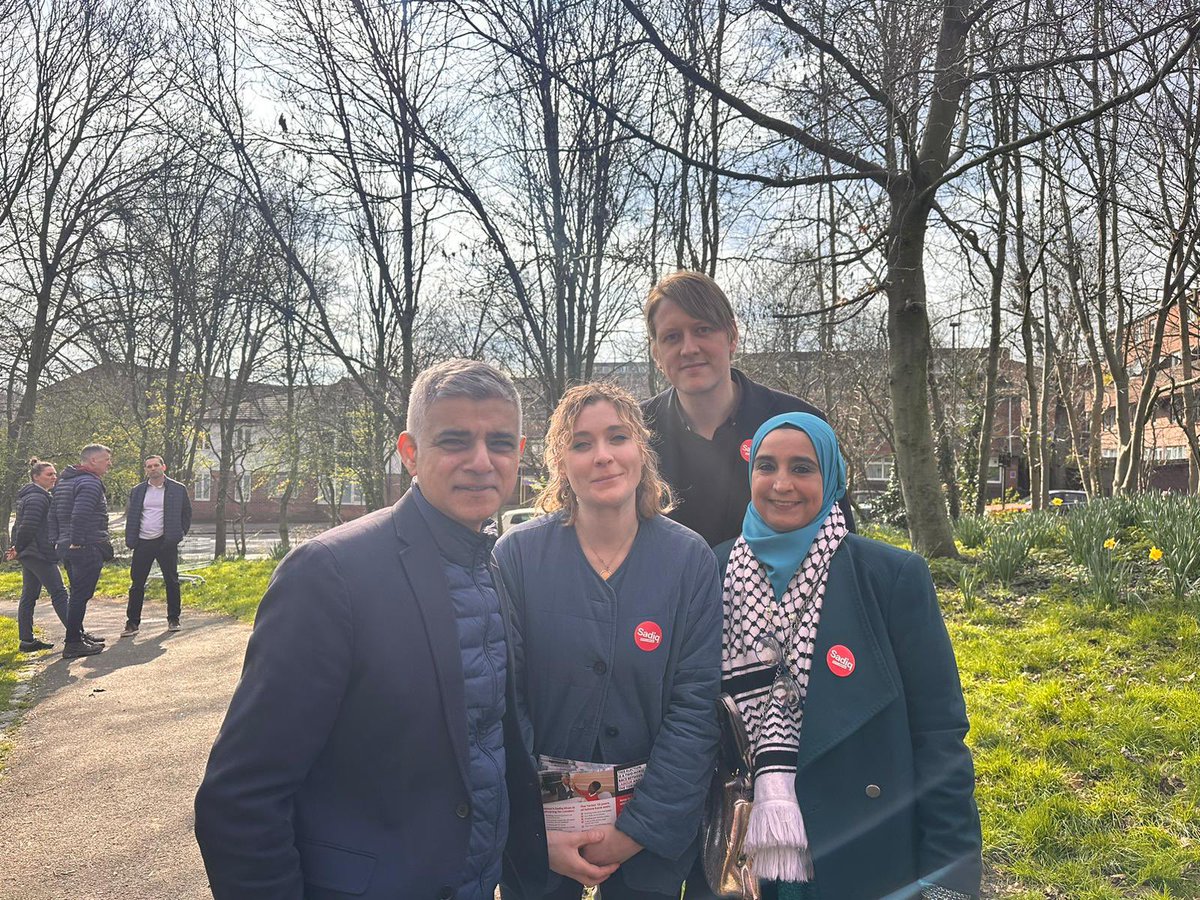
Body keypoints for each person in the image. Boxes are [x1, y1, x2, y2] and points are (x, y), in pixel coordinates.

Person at [194, 359, 547, 900]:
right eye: (455, 441)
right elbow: (241, 798)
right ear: (409, 452)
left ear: (519, 455)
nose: (481, 462)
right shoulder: (331, 573)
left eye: (499, 442)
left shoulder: (490, 564)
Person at [698, 413, 980, 899]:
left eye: (802, 468)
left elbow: (938, 735)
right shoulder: (711, 568)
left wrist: (947, 878)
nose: (781, 484)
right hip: (739, 853)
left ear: (831, 478)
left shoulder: (890, 577)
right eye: (766, 466)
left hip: (858, 851)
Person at [495, 382, 722, 899]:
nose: (602, 456)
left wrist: (637, 830)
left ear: (641, 450)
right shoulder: (517, 559)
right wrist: (538, 827)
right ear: (561, 464)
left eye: (617, 437)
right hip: (544, 836)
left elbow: (696, 707)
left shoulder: (689, 561)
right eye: (581, 443)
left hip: (649, 839)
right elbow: (506, 703)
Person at [640, 270, 853, 548]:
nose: (689, 348)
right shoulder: (634, 434)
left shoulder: (798, 423)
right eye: (671, 337)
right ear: (656, 353)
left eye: (702, 329)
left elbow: (839, 539)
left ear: (732, 336)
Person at [50, 443, 114, 658]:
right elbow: (80, 514)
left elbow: (54, 515)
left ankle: (77, 634)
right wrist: (76, 542)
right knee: (80, 595)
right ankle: (74, 642)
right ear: (93, 460)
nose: (109, 464)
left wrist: (57, 541)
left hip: (66, 545)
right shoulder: (89, 482)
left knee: (77, 593)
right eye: (106, 460)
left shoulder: (64, 481)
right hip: (84, 545)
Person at [122, 454, 193, 635]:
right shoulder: (137, 491)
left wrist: (179, 533)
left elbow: (186, 513)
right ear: (146, 469)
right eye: (149, 466)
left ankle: (173, 619)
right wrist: (131, 538)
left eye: (155, 465)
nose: (152, 469)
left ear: (164, 467)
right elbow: (131, 516)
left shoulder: (178, 489)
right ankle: (132, 623)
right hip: (143, 542)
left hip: (166, 541)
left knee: (172, 581)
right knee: (137, 583)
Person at [11, 458, 70, 652]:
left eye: (55, 473)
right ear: (36, 477)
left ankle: (27, 641)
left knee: (29, 595)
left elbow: (19, 526)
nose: (54, 477)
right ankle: (76, 635)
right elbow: (27, 526)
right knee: (59, 593)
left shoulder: (34, 495)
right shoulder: (37, 497)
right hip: (38, 553)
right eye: (49, 474)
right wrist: (18, 547)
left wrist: (18, 549)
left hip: (30, 552)